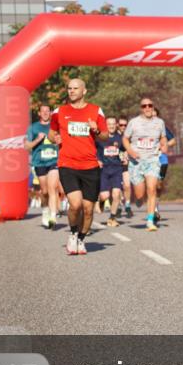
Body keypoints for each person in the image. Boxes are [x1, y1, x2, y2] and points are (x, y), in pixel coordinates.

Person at [49, 78, 108, 255]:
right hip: (68, 164)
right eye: (69, 88)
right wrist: (55, 139)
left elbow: (105, 136)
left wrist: (96, 130)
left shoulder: (96, 111)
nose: (71, 91)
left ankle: (82, 239)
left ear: (84, 91)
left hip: (90, 165)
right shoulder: (59, 111)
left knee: (88, 209)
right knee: (75, 205)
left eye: (75, 88)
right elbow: (51, 134)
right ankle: (73, 234)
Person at [122, 97, 166, 232]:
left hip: (152, 160)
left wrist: (163, 145)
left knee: (152, 189)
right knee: (140, 196)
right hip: (136, 162)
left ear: (153, 107)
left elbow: (163, 137)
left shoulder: (159, 123)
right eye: (144, 106)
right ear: (141, 108)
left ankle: (150, 220)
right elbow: (125, 138)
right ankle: (139, 200)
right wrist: (130, 151)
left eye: (150, 105)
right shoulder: (134, 123)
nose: (147, 108)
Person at [26, 103, 61, 228]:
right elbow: (26, 146)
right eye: (43, 111)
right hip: (39, 162)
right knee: (45, 191)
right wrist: (37, 140)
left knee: (53, 188)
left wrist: (59, 141)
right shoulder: (33, 128)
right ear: (39, 113)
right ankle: (45, 210)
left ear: (51, 113)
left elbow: (62, 142)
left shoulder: (56, 126)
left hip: (54, 161)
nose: (45, 113)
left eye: (48, 111)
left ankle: (52, 216)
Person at [96, 116, 124, 227]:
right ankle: (101, 201)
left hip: (117, 169)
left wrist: (125, 156)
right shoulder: (100, 138)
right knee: (105, 195)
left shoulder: (120, 138)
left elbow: (124, 150)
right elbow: (93, 150)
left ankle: (112, 218)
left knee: (116, 194)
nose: (111, 126)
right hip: (104, 169)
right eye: (109, 124)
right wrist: (97, 160)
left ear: (116, 125)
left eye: (113, 123)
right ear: (105, 125)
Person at [152, 107, 175, 223]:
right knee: (151, 185)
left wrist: (164, 145)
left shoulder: (162, 128)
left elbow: (173, 140)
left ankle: (156, 207)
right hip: (148, 160)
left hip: (162, 160)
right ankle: (154, 210)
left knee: (158, 185)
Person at [116, 117, 133, 218]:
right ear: (117, 125)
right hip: (115, 164)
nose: (123, 127)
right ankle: (118, 207)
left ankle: (127, 205)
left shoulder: (129, 136)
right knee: (117, 188)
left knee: (127, 185)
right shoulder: (114, 135)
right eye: (121, 125)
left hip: (126, 163)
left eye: (125, 125)